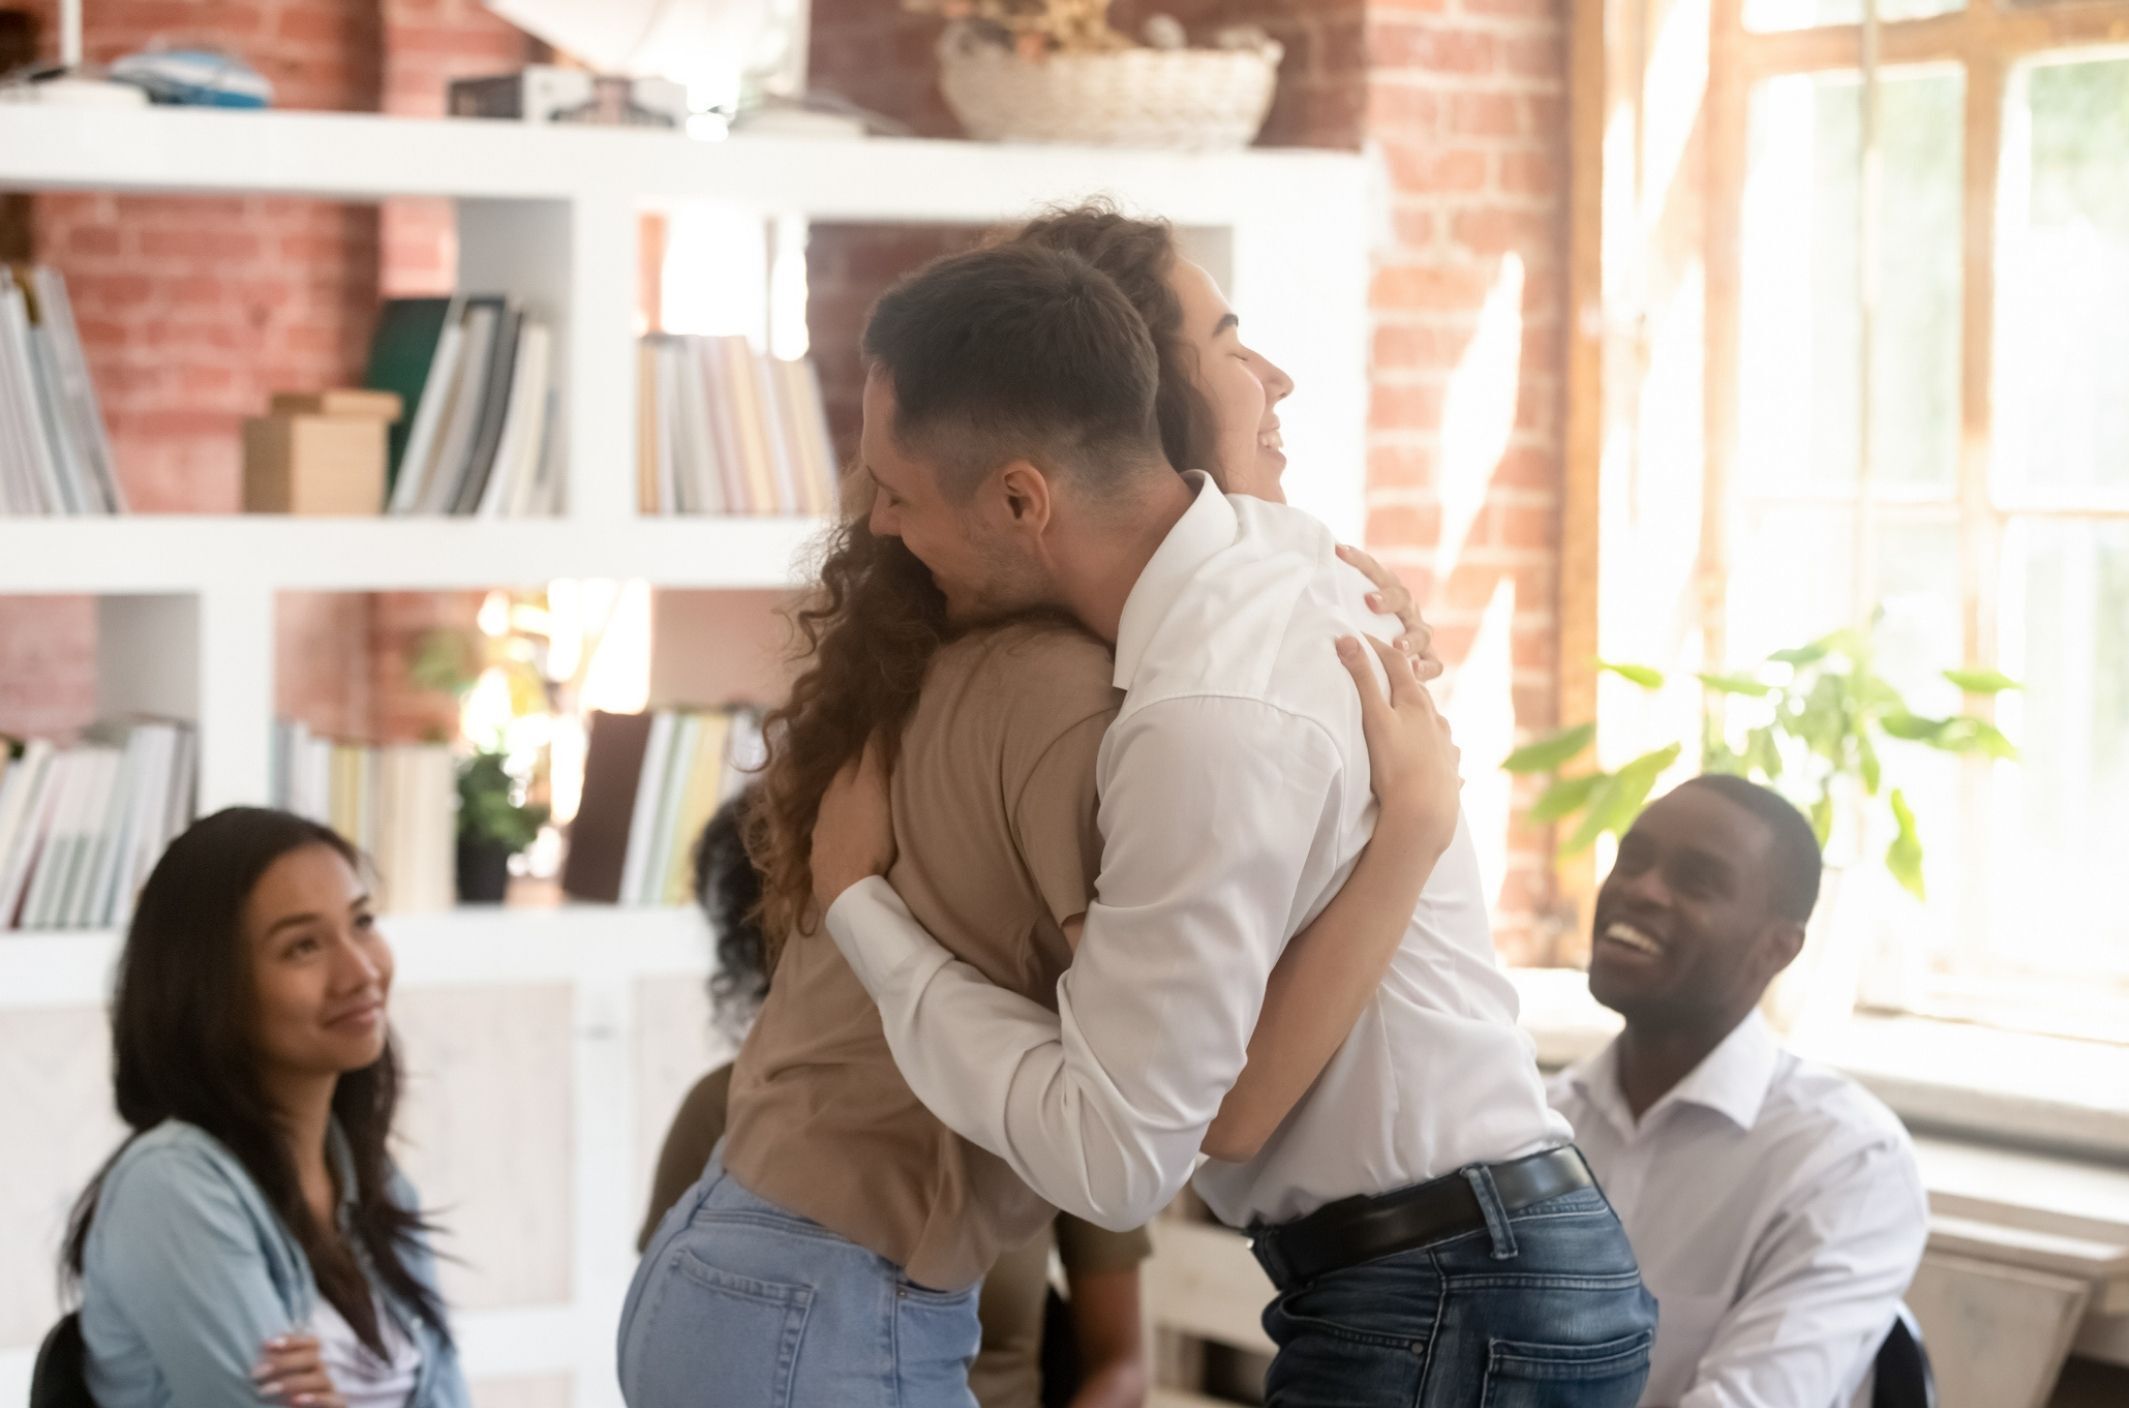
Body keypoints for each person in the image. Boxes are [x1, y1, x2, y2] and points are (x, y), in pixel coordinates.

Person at [620, 224, 1469, 1405]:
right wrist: (1413, 830)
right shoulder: (1080, 701)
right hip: (827, 1291)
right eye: (1224, 345)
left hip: (769, 1265)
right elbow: (1187, 1116)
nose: (1269, 377)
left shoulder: (1014, 665)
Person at [807, 236, 1654, 1406]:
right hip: (1460, 1277)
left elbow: (1118, 1158)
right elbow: (1224, 1110)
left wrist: (865, 914)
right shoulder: (1266, 572)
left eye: (895, 498)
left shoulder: (1203, 720)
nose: (885, 531)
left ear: (1018, 498)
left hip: (1447, 1293)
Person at [636, 792, 1155, 1408]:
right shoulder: (723, 1108)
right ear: (771, 936)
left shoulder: (1038, 1100)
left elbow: (1121, 1365)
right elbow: (686, 1351)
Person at [62, 807, 469, 1408]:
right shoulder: (171, 1186)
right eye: (303, 946)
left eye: (362, 922)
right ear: (209, 987)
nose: (360, 971)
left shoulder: (378, 1184)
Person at [1549, 776, 1929, 1407]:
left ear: (1778, 948)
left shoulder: (1846, 1162)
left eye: (1696, 882)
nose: (1640, 890)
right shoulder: (1540, 1125)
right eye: (1633, 860)